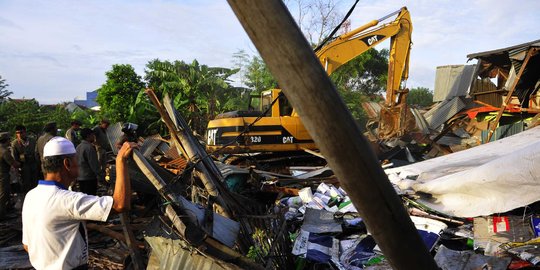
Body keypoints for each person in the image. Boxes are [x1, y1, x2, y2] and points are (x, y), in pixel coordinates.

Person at [22, 136, 137, 269]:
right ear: (67, 163)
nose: (78, 163)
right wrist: (120, 160)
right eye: (76, 159)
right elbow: (120, 204)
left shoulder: (31, 196)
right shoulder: (66, 199)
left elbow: (27, 245)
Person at [11, 125, 39, 193]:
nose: (19, 134)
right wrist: (19, 167)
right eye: (17, 133)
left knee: (35, 182)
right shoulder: (15, 143)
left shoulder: (32, 140)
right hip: (24, 166)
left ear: (25, 132)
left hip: (34, 164)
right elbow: (14, 157)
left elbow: (36, 152)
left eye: (21, 132)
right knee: (26, 183)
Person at [76, 128, 103, 196]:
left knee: (84, 198)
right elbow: (94, 165)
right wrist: (101, 175)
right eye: (92, 135)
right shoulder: (89, 147)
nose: (94, 137)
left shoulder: (78, 147)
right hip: (89, 178)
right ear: (88, 136)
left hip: (80, 177)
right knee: (91, 198)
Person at [0, 132, 19, 219]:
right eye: (9, 140)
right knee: (4, 194)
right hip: (3, 175)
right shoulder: (4, 151)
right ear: (6, 140)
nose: (10, 141)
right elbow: (14, 163)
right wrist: (21, 163)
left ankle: (6, 209)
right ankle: (2, 214)